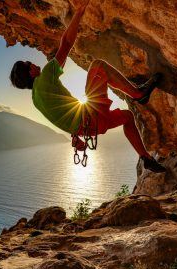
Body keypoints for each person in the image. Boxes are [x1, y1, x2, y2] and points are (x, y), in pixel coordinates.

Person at [9, 0, 165, 173]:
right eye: (29, 63)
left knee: (128, 117)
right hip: (92, 115)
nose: (33, 63)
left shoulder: (36, 100)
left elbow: (63, 115)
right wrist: (79, 11)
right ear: (31, 72)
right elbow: (66, 44)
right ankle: (138, 94)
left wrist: (75, 137)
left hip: (90, 128)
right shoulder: (45, 76)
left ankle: (145, 157)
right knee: (98, 66)